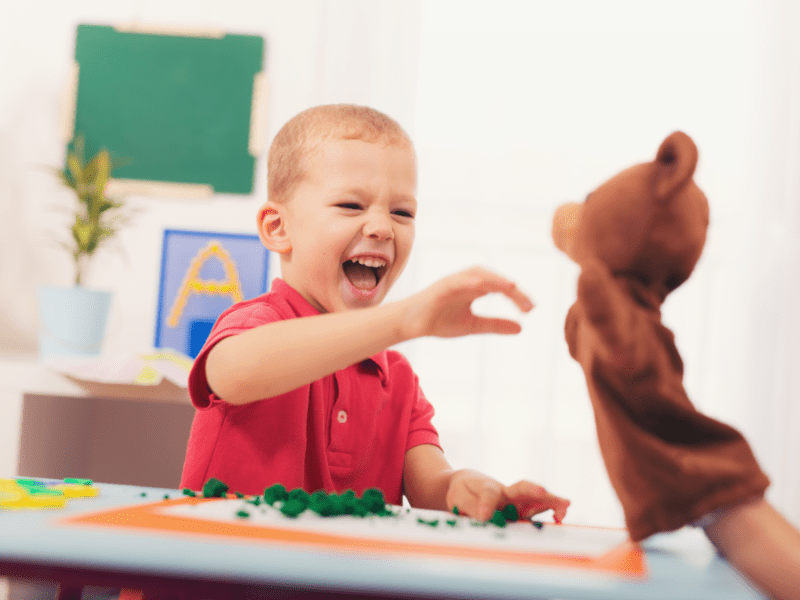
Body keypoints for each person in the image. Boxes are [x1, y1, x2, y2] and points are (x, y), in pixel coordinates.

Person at [180, 104, 570, 523]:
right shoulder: (257, 325)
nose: (383, 228)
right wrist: (403, 320)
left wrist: (473, 491)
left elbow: (431, 487)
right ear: (278, 228)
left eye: (402, 212)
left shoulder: (398, 379)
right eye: (351, 205)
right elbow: (235, 374)